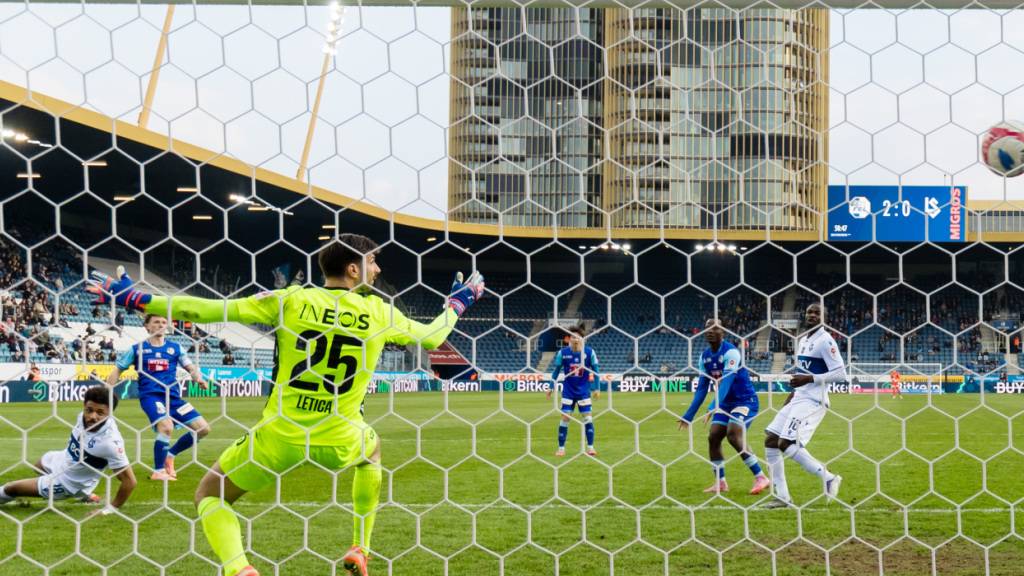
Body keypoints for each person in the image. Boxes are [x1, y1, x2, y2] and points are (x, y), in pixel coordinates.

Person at [88, 235, 485, 576]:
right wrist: (459, 301)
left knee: (209, 495)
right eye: (372, 261)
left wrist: (137, 298)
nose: (378, 268)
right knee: (373, 450)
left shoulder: (290, 300)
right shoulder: (380, 313)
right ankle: (360, 547)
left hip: (279, 435)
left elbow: (207, 309)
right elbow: (434, 338)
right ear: (352, 269)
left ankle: (238, 567)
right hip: (340, 436)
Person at [0, 386, 136, 517]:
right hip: (62, 459)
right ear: (84, 407)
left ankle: (75, 491)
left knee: (11, 488)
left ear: (110, 414)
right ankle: (84, 495)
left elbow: (130, 482)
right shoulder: (81, 417)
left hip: (67, 483)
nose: (93, 416)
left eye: (100, 413)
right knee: (37, 466)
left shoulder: (110, 443)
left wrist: (108, 510)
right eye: (89, 410)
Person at [105, 314, 211, 482]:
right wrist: (107, 392)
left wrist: (198, 378)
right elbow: (118, 370)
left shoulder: (176, 348)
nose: (161, 325)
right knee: (166, 426)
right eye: (156, 322)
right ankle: (158, 471)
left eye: (163, 322)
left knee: (203, 429)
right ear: (147, 327)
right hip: (151, 396)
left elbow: (191, 367)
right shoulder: (136, 349)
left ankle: (170, 455)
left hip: (174, 398)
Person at [762, 304, 845, 508]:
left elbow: (840, 374)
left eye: (817, 313)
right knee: (771, 440)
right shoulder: (803, 340)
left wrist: (808, 378)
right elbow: (800, 371)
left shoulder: (826, 341)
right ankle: (783, 497)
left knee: (786, 443)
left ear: (824, 317)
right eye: (810, 312)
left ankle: (829, 478)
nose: (813, 315)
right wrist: (792, 394)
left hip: (814, 401)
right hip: (799, 398)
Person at [679, 320, 770, 495]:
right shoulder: (704, 357)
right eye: (708, 328)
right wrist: (688, 415)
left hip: (745, 401)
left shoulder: (731, 352)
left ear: (724, 332)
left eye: (716, 328)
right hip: (726, 404)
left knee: (733, 434)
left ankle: (761, 477)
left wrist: (713, 406)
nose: (711, 331)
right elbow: (702, 388)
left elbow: (726, 382)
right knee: (713, 437)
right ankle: (720, 482)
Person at [546, 325, 600, 457]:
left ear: (582, 339)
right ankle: (561, 448)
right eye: (573, 337)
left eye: (578, 337)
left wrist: (597, 388)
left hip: (583, 391)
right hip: (568, 391)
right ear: (569, 339)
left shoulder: (589, 352)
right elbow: (556, 371)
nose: (576, 339)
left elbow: (596, 371)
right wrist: (550, 386)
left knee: (587, 418)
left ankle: (591, 447)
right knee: (565, 418)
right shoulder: (562, 353)